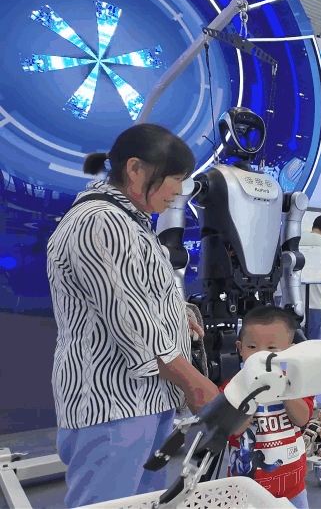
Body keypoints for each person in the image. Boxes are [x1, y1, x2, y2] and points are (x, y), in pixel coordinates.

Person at [48, 124, 219, 508]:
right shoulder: (101, 222)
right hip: (113, 406)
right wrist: (195, 384)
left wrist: (178, 313)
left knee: (144, 502)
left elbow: (134, 295)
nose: (180, 189)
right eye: (175, 178)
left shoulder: (131, 224)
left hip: (146, 402)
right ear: (136, 169)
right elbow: (132, 326)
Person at [220, 305, 313, 509]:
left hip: (293, 486)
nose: (261, 355)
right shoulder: (232, 387)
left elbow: (302, 419)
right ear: (240, 348)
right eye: (252, 347)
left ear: (289, 351)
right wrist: (251, 391)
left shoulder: (297, 383)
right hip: (246, 490)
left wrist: (283, 387)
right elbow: (234, 430)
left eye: (271, 348)